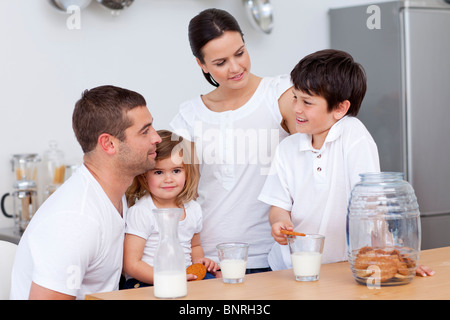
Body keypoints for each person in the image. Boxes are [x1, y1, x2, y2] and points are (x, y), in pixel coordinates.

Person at [258, 49, 435, 277]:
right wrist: (280, 222)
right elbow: (279, 206)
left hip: (339, 267)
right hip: (288, 266)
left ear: (340, 108)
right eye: (295, 97)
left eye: (307, 102)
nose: (296, 108)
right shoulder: (287, 149)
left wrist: (392, 256)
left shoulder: (353, 135)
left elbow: (372, 207)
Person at [170, 8, 297, 274]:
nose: (236, 67)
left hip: (271, 256)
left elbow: (317, 153)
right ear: (201, 65)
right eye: (220, 62)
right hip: (207, 261)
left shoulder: (280, 93)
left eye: (240, 53)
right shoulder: (189, 115)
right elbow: (177, 191)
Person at [10, 85, 161, 300]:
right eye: (145, 131)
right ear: (108, 144)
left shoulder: (113, 195)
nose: (157, 138)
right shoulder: (76, 220)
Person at [123, 130, 220, 288]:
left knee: (216, 287)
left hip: (184, 276)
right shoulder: (142, 212)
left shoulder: (193, 209)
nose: (169, 179)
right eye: (159, 172)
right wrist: (167, 279)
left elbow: (194, 246)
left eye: (176, 171)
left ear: (187, 173)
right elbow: (131, 264)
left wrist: (199, 261)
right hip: (148, 280)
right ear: (144, 177)